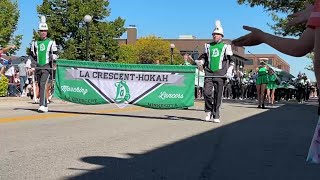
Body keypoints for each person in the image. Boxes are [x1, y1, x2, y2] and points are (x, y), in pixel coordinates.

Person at [195, 20, 234, 123]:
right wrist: (201, 62)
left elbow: (231, 60)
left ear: (221, 36)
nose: (214, 36)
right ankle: (208, 111)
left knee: (218, 95)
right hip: (209, 72)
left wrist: (230, 70)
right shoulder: (207, 45)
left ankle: (216, 114)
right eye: (213, 34)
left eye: (216, 34)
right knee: (206, 93)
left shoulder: (226, 46)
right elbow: (204, 57)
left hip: (221, 73)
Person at [30, 16, 58, 113]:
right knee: (39, 85)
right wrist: (32, 65)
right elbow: (32, 56)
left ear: (47, 32)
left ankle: (42, 105)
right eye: (41, 30)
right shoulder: (35, 43)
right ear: (39, 32)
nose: (43, 32)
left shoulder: (51, 42)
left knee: (43, 84)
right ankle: (43, 104)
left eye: (44, 30)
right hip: (38, 66)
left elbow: (55, 53)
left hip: (47, 66)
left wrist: (54, 58)